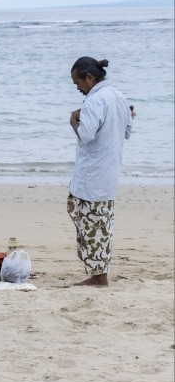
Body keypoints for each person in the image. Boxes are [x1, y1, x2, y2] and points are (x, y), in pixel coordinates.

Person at [67, 56, 133, 287]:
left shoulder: (95, 100)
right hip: (109, 172)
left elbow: (86, 135)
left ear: (89, 77)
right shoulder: (117, 95)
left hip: (93, 175)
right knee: (102, 224)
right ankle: (99, 273)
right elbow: (127, 130)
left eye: (78, 82)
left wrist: (74, 120)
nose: (77, 88)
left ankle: (99, 277)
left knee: (91, 224)